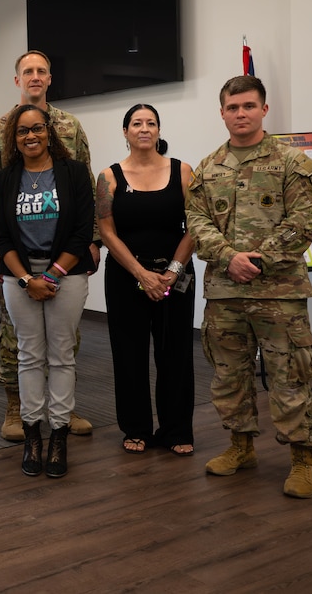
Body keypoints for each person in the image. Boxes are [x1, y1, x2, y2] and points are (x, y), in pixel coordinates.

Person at [186, 75, 312, 499]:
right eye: (232, 107)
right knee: (229, 375)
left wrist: (257, 261)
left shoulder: (293, 163)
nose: (240, 114)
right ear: (222, 112)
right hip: (226, 293)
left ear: (264, 110)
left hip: (279, 293)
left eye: (248, 106)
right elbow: (197, 222)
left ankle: (303, 459)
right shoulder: (208, 168)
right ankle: (240, 446)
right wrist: (230, 258)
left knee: (289, 375)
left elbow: (302, 224)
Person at [0, 50, 99, 441]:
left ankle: (64, 408)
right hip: (16, 253)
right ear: (17, 80)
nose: (35, 76)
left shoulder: (71, 126)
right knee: (17, 335)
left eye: (41, 71)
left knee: (66, 337)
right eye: (27, 71)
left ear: (50, 78)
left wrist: (93, 240)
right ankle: (16, 408)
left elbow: (87, 187)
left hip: (66, 250)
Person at [97, 104, 196, 456]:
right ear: (125, 132)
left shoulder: (183, 171)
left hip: (176, 276)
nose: (144, 128)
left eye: (151, 123)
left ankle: (176, 429)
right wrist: (141, 273)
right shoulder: (108, 178)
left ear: (158, 130)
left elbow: (196, 225)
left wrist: (171, 272)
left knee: (177, 352)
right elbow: (107, 233)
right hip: (126, 278)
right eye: (136, 123)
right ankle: (136, 427)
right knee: (129, 354)